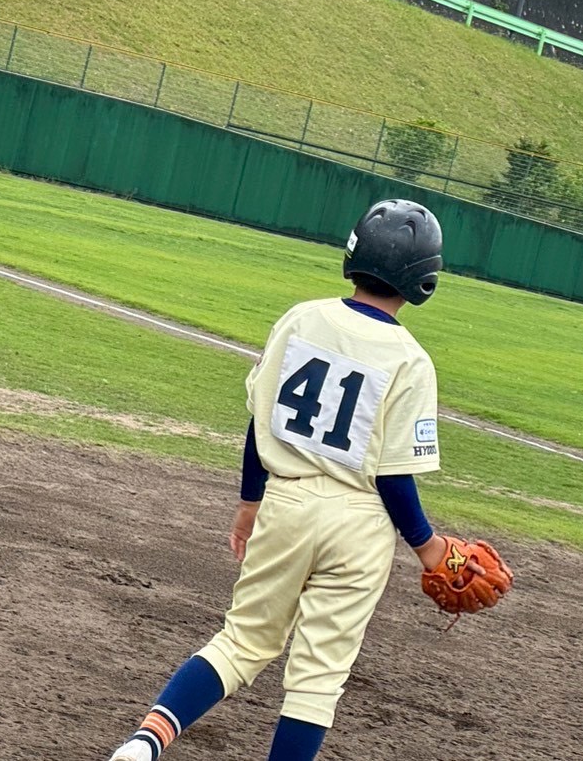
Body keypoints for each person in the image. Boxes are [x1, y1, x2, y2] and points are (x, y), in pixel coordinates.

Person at [105, 199, 483, 761]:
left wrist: (249, 502)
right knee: (317, 679)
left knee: (242, 640)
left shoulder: (301, 319)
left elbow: (260, 420)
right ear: (425, 278)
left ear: (354, 255)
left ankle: (144, 743)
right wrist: (428, 547)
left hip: (285, 501)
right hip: (360, 526)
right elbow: (393, 474)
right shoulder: (412, 360)